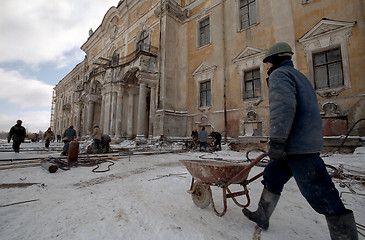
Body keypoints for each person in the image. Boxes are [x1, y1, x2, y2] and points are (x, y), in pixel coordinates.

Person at [241, 42, 358, 239]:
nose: (266, 68)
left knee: (319, 190)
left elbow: (283, 108)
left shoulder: (280, 75)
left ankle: (345, 237)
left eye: (267, 63)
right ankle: (262, 215)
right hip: (293, 145)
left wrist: (277, 141)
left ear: (274, 60)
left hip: (298, 147)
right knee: (273, 177)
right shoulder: (299, 76)